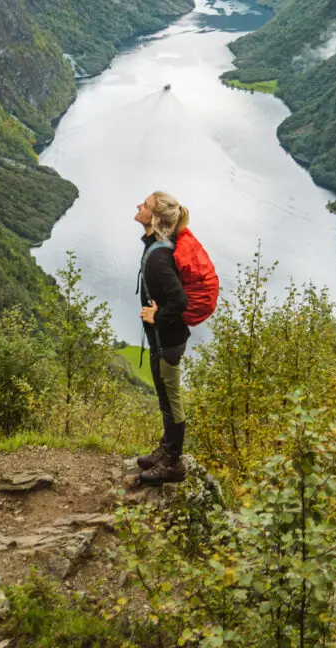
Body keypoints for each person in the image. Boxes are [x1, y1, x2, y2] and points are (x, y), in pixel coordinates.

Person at [134, 190, 190, 484]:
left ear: (155, 218)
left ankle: (173, 463)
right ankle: (166, 451)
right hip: (163, 339)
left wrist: (157, 316)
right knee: (164, 398)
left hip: (168, 341)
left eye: (144, 205)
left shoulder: (159, 259)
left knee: (171, 400)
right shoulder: (157, 245)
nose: (138, 205)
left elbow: (179, 301)